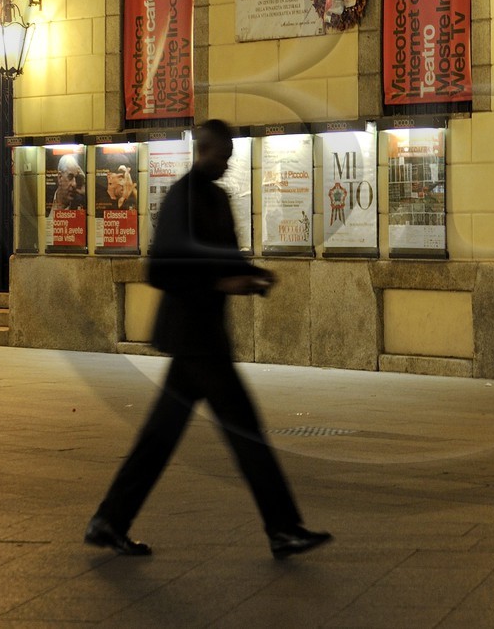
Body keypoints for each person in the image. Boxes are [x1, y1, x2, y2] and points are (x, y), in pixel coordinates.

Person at [86, 120, 331, 560]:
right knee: (246, 434)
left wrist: (252, 275)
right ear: (204, 150)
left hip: (203, 340)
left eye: (230, 156)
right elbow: (161, 269)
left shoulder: (218, 198)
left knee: (160, 438)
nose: (227, 163)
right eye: (222, 155)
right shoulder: (182, 197)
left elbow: (223, 258)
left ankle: (110, 520)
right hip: (194, 338)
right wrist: (222, 285)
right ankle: (282, 528)